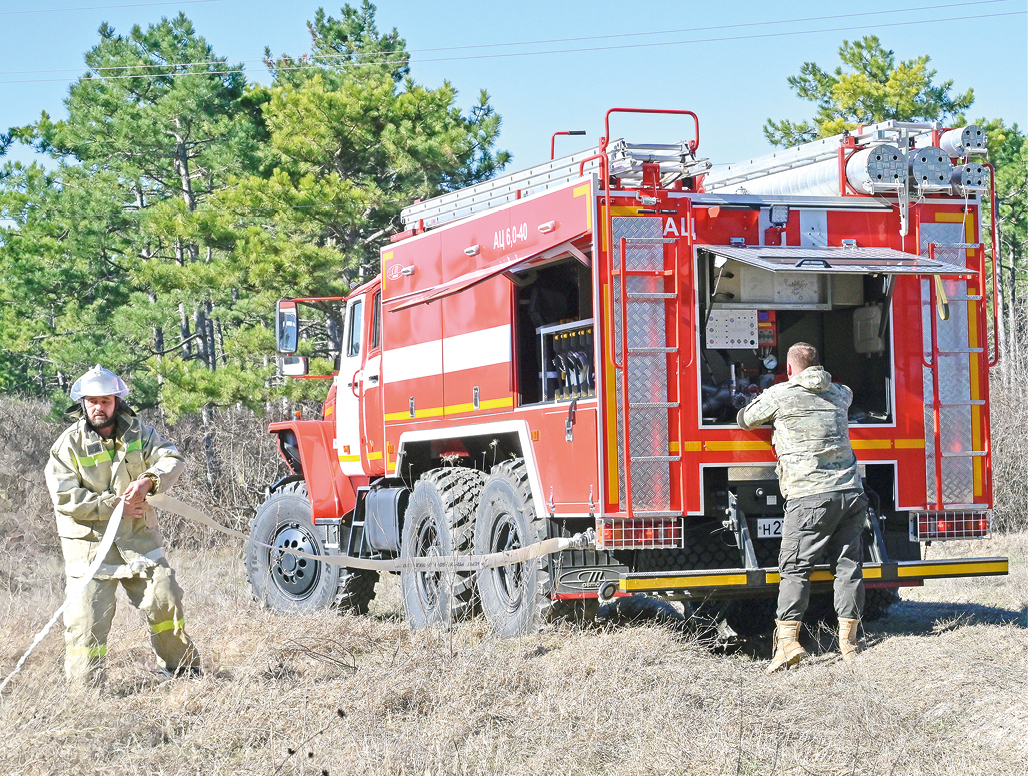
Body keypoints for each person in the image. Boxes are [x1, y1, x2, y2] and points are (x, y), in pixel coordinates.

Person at [44, 365, 200, 688]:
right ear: (83, 404)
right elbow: (66, 498)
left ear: (116, 401)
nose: (98, 408)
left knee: (165, 597)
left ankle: (182, 672)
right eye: (92, 402)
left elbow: (172, 458)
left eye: (105, 401)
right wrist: (118, 506)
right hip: (90, 551)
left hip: (137, 542)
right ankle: (84, 692)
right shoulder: (66, 446)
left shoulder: (139, 433)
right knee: (86, 622)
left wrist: (149, 480)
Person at [736, 343, 868, 673]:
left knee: (795, 568)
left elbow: (745, 420)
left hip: (809, 495)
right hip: (850, 492)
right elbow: (848, 394)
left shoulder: (780, 394)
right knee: (848, 565)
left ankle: (787, 645)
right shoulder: (841, 393)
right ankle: (850, 645)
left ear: (790, 369)